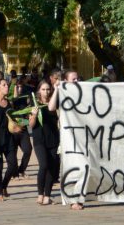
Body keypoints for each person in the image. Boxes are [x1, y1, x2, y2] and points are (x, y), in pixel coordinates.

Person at [48, 70, 82, 209]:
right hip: (67, 138)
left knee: (83, 167)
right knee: (70, 168)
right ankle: (73, 200)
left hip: (82, 137)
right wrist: (56, 89)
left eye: (77, 79)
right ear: (66, 81)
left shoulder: (82, 94)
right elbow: (51, 107)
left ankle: (79, 196)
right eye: (73, 79)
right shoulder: (61, 94)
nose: (76, 82)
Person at [29, 80, 59, 205]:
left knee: (53, 167)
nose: (46, 92)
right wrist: (34, 115)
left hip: (53, 139)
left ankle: (47, 195)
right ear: (38, 91)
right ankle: (40, 194)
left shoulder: (54, 103)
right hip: (39, 139)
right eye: (43, 89)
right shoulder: (34, 104)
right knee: (44, 165)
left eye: (48, 89)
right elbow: (31, 125)